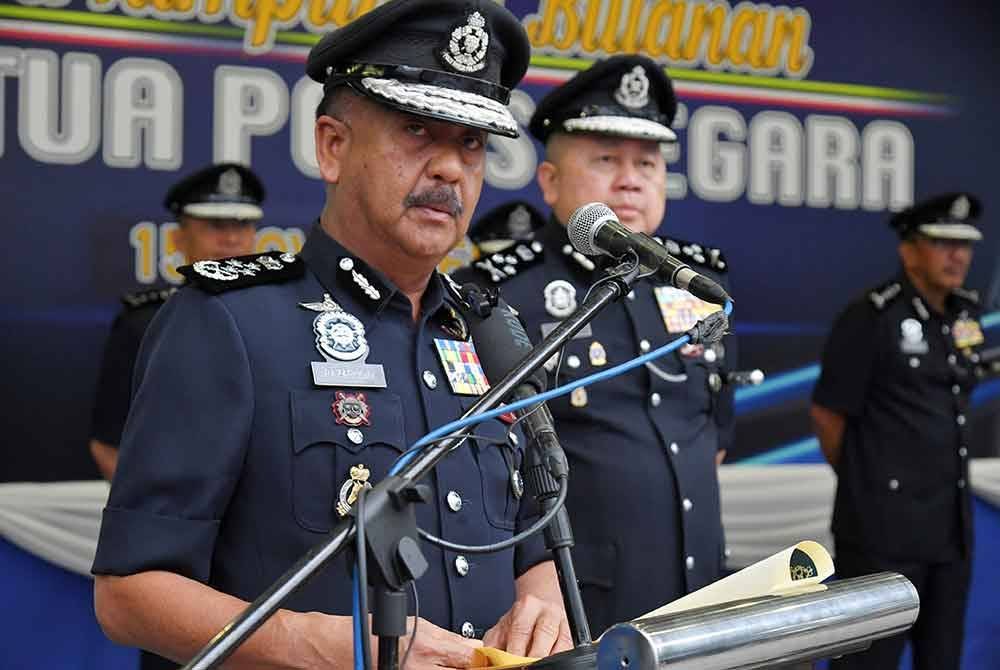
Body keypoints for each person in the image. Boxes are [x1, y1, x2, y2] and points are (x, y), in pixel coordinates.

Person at [91, 1, 572, 668]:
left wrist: (541, 606)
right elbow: (127, 594)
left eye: (469, 143)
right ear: (333, 146)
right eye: (416, 130)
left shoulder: (489, 333)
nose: (449, 170)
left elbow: (531, 548)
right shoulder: (228, 319)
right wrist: (322, 644)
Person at [453, 55, 735, 635]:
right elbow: (478, 468)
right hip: (575, 606)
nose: (630, 178)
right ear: (551, 181)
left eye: (647, 163)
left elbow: (713, 440)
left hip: (700, 595)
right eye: (606, 159)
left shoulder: (699, 285)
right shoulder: (501, 290)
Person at [811, 193, 988, 670]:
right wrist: (870, 484)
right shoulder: (871, 316)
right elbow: (828, 415)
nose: (958, 256)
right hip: (881, 536)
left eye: (965, 245)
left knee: (942, 658)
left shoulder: (965, 316)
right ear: (909, 250)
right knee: (869, 663)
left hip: (949, 531)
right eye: (943, 243)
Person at [89, 162, 264, 481]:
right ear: (178, 239)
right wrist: (161, 523)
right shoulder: (144, 324)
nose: (232, 240)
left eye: (242, 225)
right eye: (215, 225)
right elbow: (107, 446)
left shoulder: (286, 323)